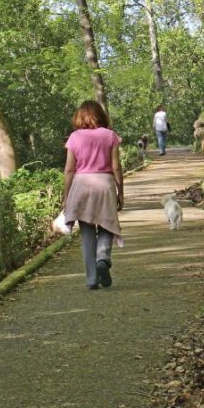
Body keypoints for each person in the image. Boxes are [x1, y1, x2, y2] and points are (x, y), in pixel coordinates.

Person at [62, 100, 124, 289]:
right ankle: (103, 259)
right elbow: (115, 166)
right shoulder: (110, 136)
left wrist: (66, 196)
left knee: (87, 233)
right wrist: (120, 191)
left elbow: (69, 170)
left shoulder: (74, 137)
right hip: (104, 184)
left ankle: (91, 280)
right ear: (101, 116)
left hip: (81, 185)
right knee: (107, 226)